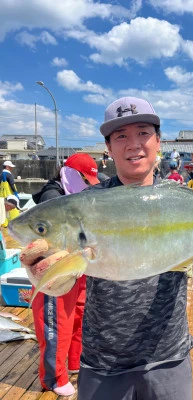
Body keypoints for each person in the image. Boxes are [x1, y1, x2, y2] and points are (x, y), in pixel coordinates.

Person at [20, 97, 193, 400]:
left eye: (143, 133)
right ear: (108, 148)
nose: (133, 144)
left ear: (159, 141)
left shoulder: (178, 197)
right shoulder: (87, 202)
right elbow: (66, 266)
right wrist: (51, 277)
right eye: (121, 136)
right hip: (102, 359)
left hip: (168, 355)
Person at [23, 153, 100, 397]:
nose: (88, 186)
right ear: (70, 174)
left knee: (79, 315)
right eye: (85, 180)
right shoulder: (52, 195)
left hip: (77, 265)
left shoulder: (79, 195)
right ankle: (53, 378)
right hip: (54, 271)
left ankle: (74, 362)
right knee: (55, 324)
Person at [0, 161, 19, 227]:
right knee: (13, 212)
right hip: (10, 197)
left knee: (3, 213)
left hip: (2, 197)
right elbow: (12, 185)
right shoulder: (9, 175)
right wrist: (16, 193)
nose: (12, 169)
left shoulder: (1, 175)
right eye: (11, 167)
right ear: (7, 167)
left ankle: (4, 225)